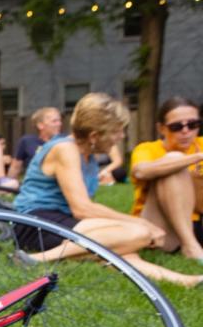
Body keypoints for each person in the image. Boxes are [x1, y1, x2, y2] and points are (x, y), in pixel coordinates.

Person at [13, 92, 201, 287]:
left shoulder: (88, 156)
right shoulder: (65, 149)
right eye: (117, 131)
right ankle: (39, 258)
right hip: (36, 223)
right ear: (94, 135)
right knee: (137, 234)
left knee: (122, 246)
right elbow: (82, 209)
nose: (121, 136)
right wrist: (143, 225)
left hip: (65, 220)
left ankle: (187, 281)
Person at [128, 97, 203, 261]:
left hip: (198, 219)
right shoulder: (147, 149)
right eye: (176, 127)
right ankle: (190, 245)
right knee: (173, 161)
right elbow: (141, 172)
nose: (186, 131)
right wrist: (196, 158)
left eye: (193, 125)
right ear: (161, 128)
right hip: (159, 227)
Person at [12, 107, 62, 180]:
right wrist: (8, 185)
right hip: (34, 183)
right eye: (54, 121)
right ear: (40, 125)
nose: (59, 124)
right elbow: (15, 167)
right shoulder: (27, 141)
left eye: (60, 120)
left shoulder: (65, 141)